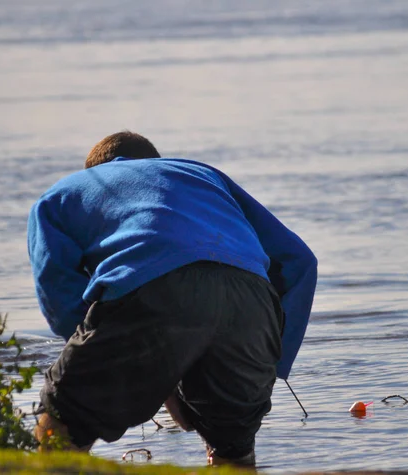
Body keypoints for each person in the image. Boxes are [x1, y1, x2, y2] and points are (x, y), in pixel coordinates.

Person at [27, 131, 317, 465]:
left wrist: (137, 367)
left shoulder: (61, 194)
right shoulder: (200, 173)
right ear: (155, 162)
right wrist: (274, 362)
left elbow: (58, 293)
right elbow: (300, 261)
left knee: (64, 419)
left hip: (150, 285)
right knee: (232, 453)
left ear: (93, 168)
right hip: (251, 298)